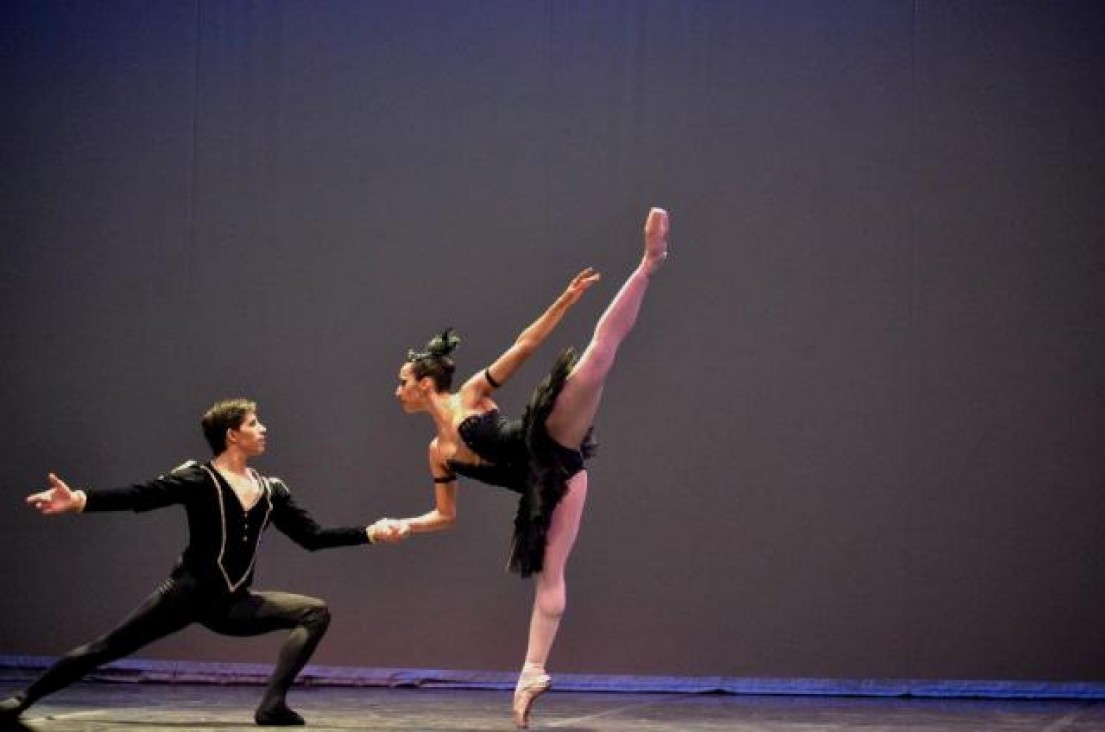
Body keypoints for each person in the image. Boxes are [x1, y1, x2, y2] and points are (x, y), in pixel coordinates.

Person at [374, 207, 669, 728]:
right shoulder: (436, 452)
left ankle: (648, 262)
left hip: (549, 435)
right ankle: (532, 671)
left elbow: (525, 346)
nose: (396, 390)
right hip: (555, 482)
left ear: (424, 384)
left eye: (401, 381)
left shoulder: (470, 396)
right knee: (550, 577)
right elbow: (444, 516)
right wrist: (406, 524)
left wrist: (564, 300)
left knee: (597, 358)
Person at [0, 398, 401, 728]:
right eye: (254, 422)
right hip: (186, 594)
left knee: (315, 612)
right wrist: (79, 501)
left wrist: (368, 532)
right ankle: (23, 697)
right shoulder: (198, 479)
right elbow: (142, 495)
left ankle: (271, 706)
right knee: (107, 647)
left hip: (233, 604)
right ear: (232, 434)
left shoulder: (271, 491)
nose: (263, 429)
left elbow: (312, 538)